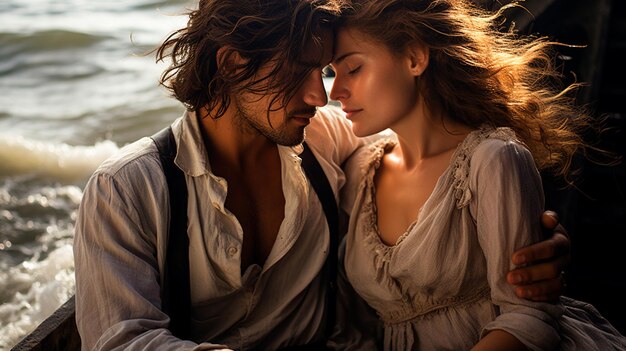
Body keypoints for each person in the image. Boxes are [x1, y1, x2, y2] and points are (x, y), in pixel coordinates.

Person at [73, 0, 571, 350]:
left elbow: (438, 160)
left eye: (328, 71)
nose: (320, 95)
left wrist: (531, 235)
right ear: (232, 63)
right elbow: (121, 338)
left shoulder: (327, 139)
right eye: (301, 70)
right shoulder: (126, 190)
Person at [328, 0, 626, 350]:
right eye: (332, 72)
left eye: (353, 69)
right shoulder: (360, 169)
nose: (335, 92)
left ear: (414, 58)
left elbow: (527, 317)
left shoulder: (493, 160)